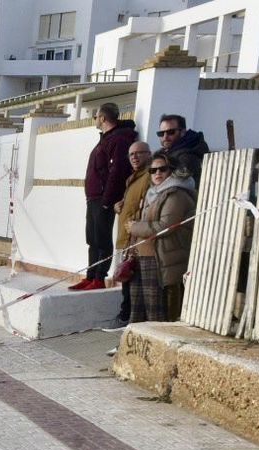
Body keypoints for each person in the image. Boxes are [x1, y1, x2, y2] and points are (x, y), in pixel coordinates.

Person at [72, 102, 137, 291]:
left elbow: (116, 171)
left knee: (102, 239)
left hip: (103, 198)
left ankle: (99, 277)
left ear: (102, 118)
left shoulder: (119, 139)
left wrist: (108, 201)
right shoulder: (105, 139)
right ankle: (90, 275)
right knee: (92, 238)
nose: (95, 120)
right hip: (93, 197)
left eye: (96, 117)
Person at [126, 151, 196, 323]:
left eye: (162, 169)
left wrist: (135, 227)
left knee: (156, 312)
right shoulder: (154, 193)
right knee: (138, 308)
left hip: (161, 259)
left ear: (171, 171)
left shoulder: (176, 194)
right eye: (153, 170)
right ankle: (133, 348)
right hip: (144, 256)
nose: (157, 173)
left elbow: (165, 227)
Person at [109, 140, 153, 328]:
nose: (134, 157)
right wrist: (120, 205)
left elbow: (146, 206)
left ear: (149, 154)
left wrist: (133, 221)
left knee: (131, 281)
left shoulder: (150, 176)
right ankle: (126, 315)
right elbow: (133, 203)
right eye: (131, 154)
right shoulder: (133, 177)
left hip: (135, 238)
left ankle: (127, 317)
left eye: (139, 153)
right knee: (126, 278)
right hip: (125, 237)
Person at [157, 114, 208, 185]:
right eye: (161, 133)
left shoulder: (187, 157)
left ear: (183, 132)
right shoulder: (168, 151)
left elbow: (176, 186)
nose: (165, 137)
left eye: (171, 132)